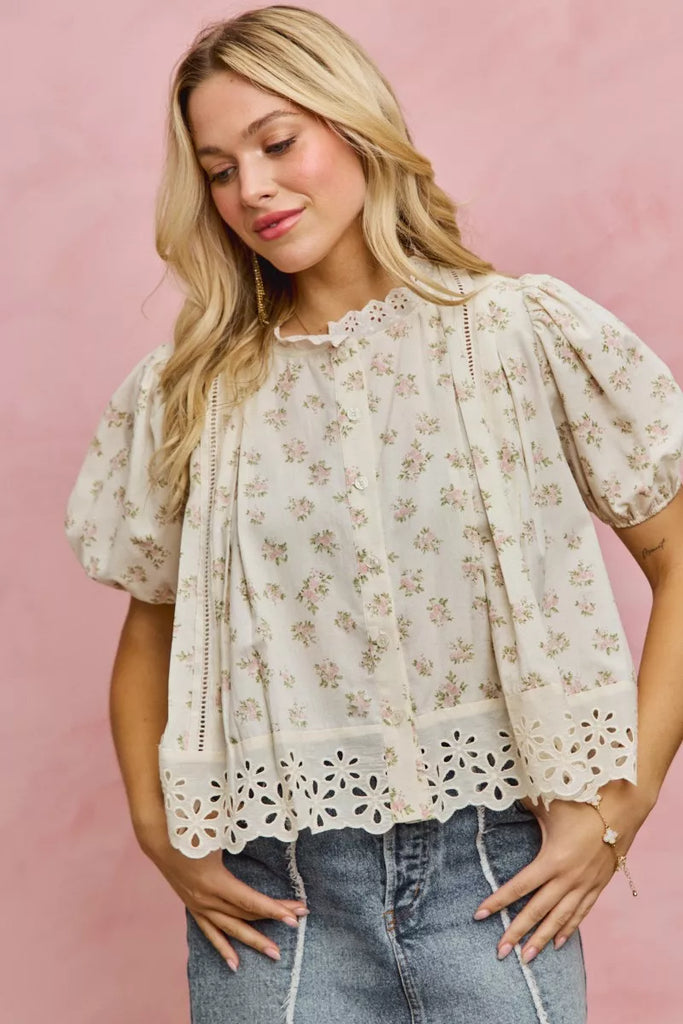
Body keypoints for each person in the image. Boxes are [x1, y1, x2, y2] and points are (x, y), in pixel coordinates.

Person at [65, 6, 683, 1023]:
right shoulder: (192, 392)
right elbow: (151, 632)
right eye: (218, 170)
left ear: (355, 126)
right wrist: (158, 832)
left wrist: (625, 802)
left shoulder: (519, 336)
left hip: (493, 878)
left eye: (277, 143)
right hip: (276, 898)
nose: (251, 189)